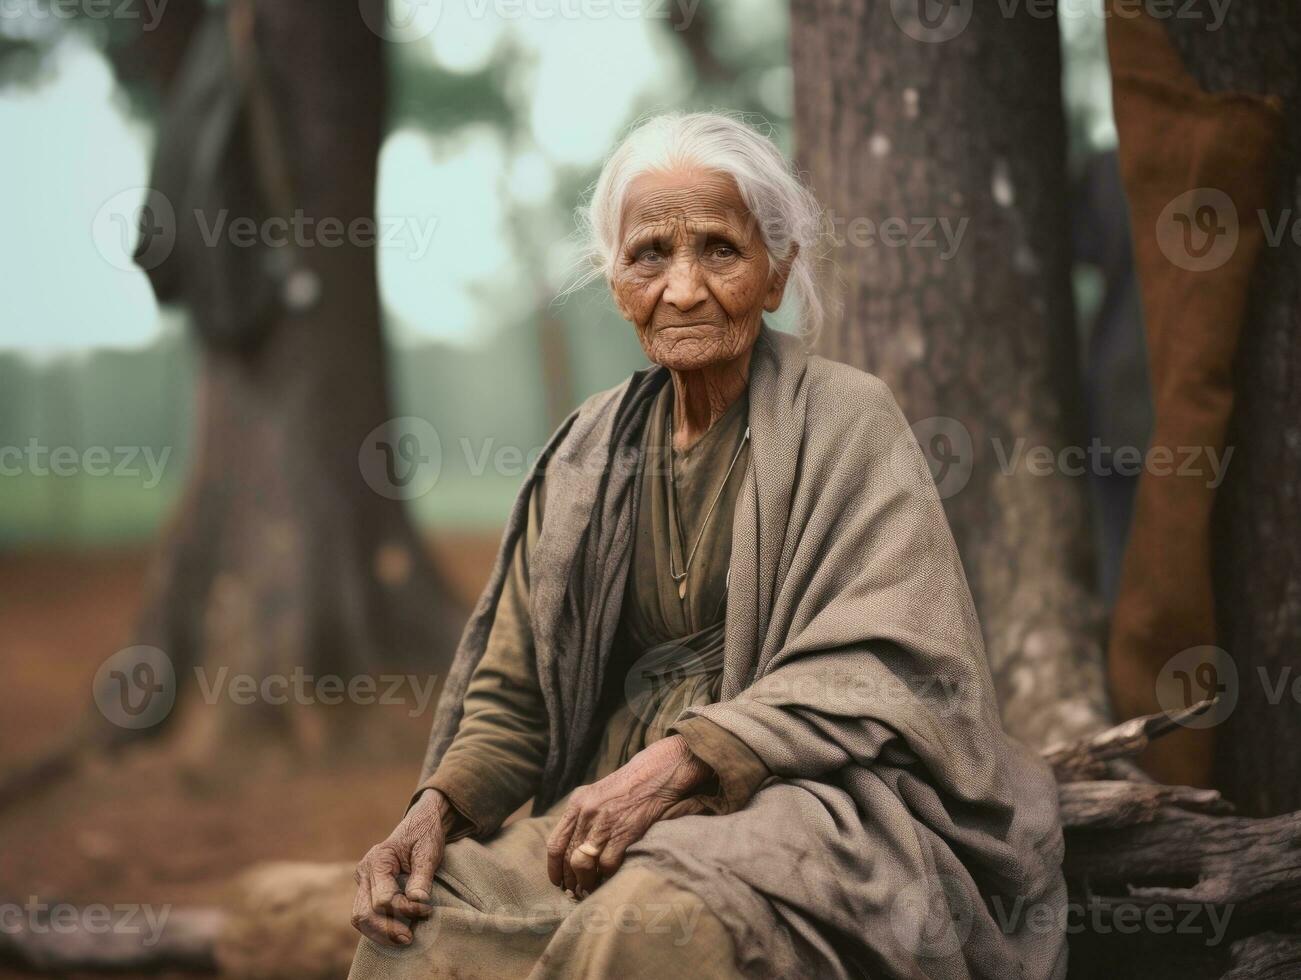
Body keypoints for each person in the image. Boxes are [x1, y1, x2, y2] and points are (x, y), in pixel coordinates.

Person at [349, 112, 1067, 980]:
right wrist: (431, 815)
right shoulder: (585, 452)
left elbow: (890, 662)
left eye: (720, 251)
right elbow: (513, 695)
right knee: (429, 921)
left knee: (653, 921)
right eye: (649, 254)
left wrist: (689, 758)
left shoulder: (847, 420)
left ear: (776, 273)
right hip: (607, 804)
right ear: (613, 280)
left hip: (806, 798)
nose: (683, 288)